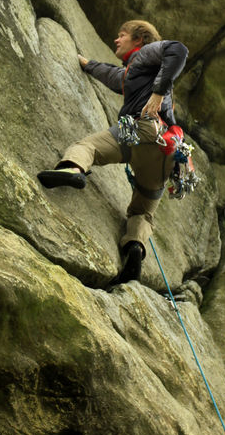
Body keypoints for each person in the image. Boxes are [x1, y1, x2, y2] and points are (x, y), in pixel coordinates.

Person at [37, 19, 189, 283]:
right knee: (143, 211)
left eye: (122, 35)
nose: (116, 40)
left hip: (141, 128)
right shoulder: (135, 71)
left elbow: (179, 50)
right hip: (167, 153)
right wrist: (87, 64)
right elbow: (113, 76)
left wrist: (157, 93)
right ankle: (135, 247)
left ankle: (73, 169)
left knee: (88, 147)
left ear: (139, 39)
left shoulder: (146, 53)